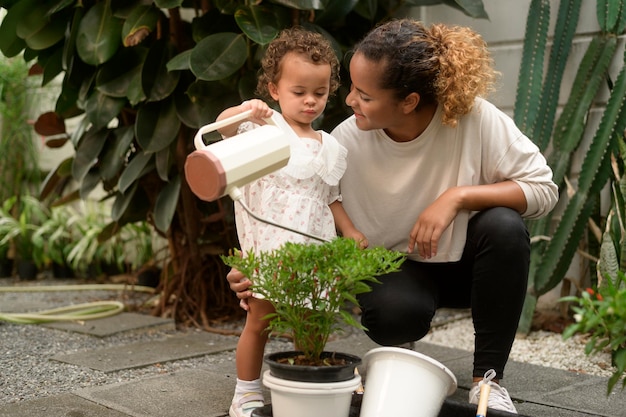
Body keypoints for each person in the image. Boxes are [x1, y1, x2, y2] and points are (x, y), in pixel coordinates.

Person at [227, 18, 559, 414]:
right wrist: (259, 264)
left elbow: (543, 190)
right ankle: (400, 356)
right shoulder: (345, 141)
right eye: (350, 88)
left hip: (467, 269)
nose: (348, 101)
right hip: (397, 271)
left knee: (504, 224)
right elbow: (303, 209)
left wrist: (457, 197)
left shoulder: (474, 119)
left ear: (409, 102)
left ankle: (487, 381)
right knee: (394, 313)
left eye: (364, 95)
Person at [216, 27, 366, 417]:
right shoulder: (264, 130)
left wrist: (349, 231)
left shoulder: (330, 145)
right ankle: (246, 392)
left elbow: (328, 197)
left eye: (318, 93)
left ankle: (305, 383)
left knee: (312, 321)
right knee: (260, 320)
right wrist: (246, 110)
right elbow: (223, 129)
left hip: (312, 248)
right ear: (274, 89)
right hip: (270, 247)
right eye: (299, 92)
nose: (310, 101)